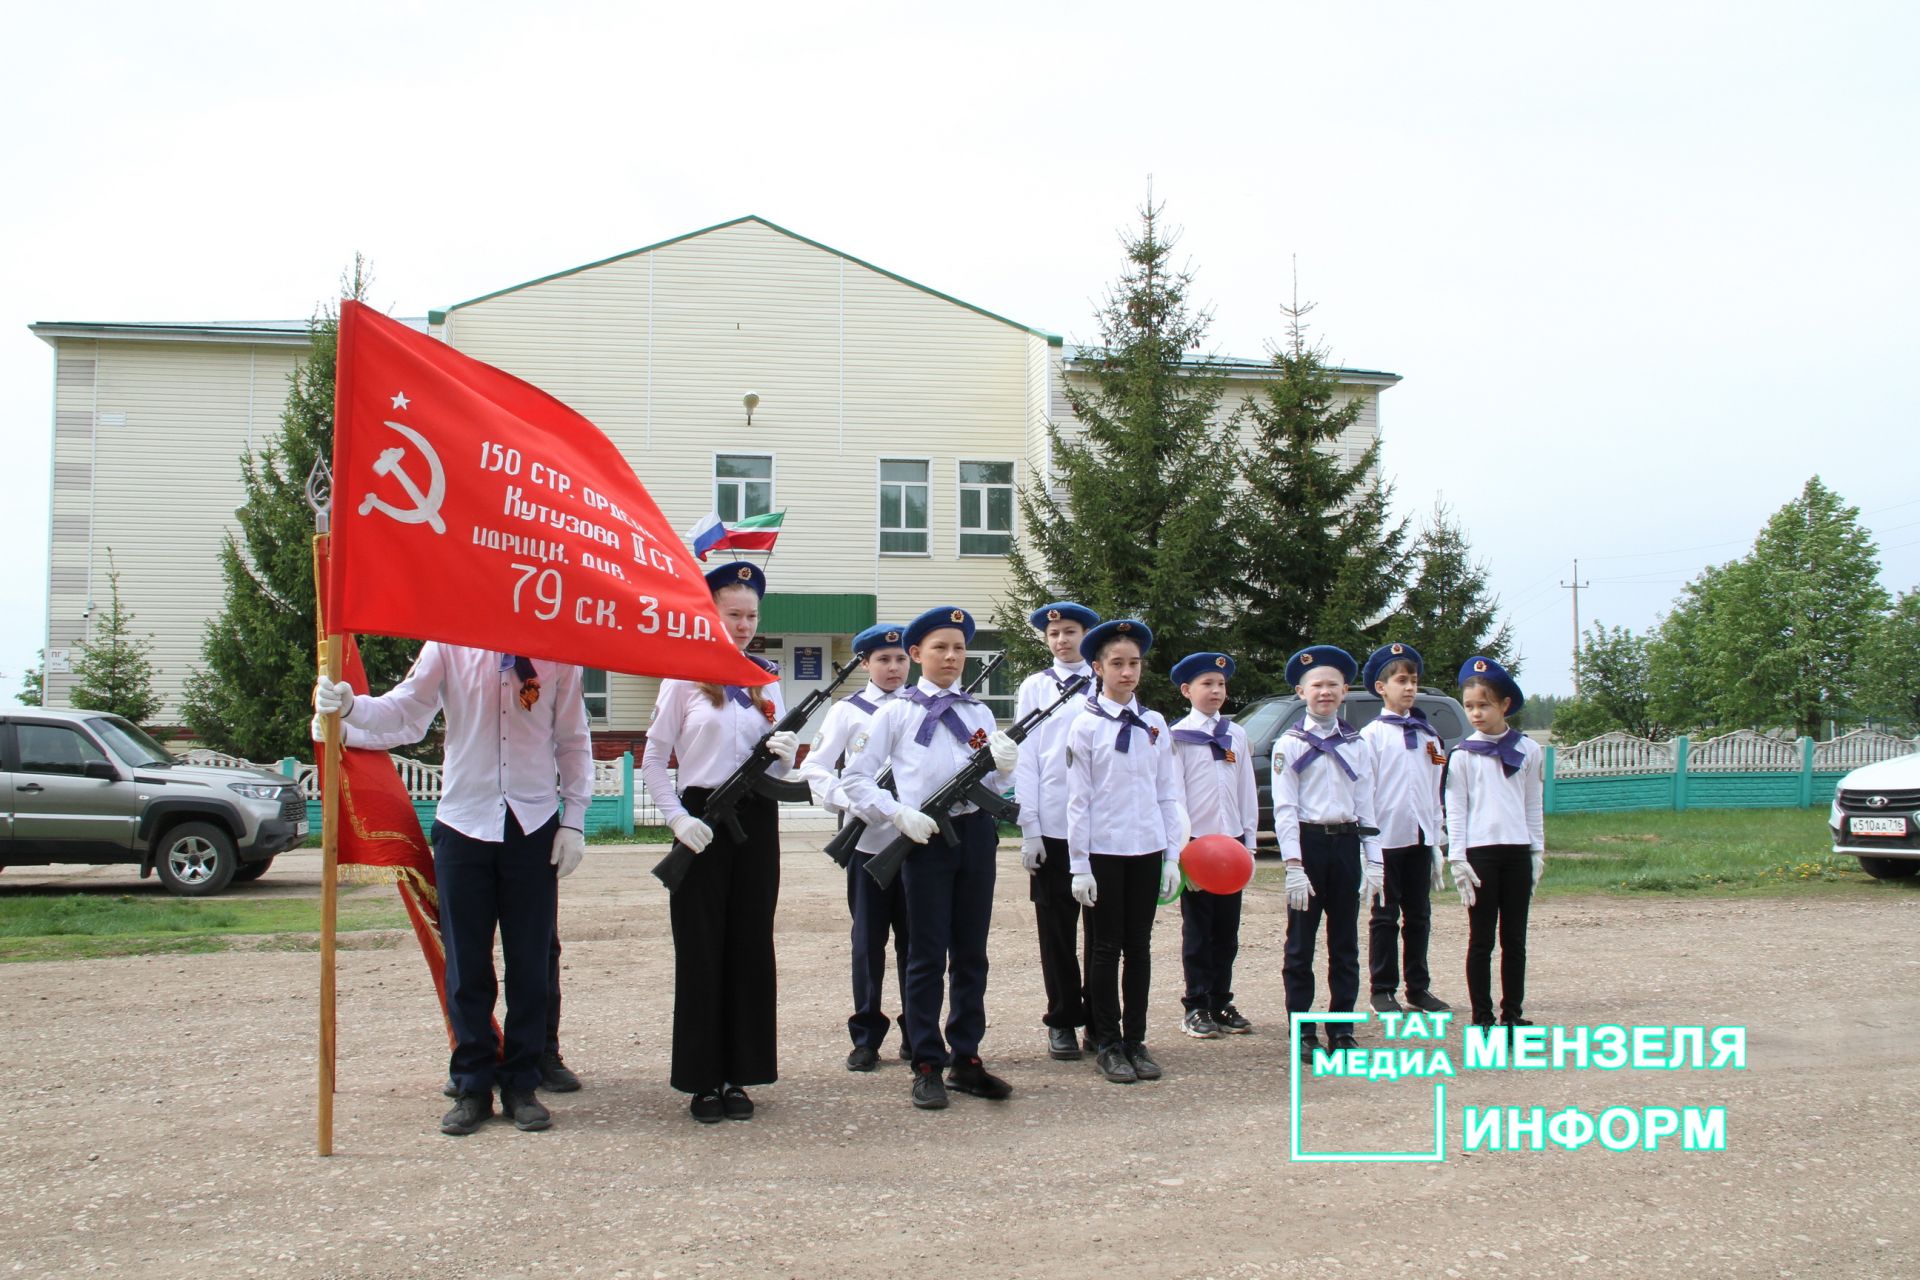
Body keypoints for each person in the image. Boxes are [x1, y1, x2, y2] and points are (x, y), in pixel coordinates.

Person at [314, 646, 591, 1136]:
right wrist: (351, 707)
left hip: (531, 825)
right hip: (464, 823)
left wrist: (574, 820)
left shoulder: (556, 652)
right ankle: (472, 1084)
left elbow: (572, 740)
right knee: (466, 964)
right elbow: (407, 711)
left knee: (529, 962)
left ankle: (522, 1083)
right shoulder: (448, 643)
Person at [841, 606, 1021, 1111]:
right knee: (925, 956)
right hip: (924, 840)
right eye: (940, 648)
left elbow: (995, 786)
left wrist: (1007, 769)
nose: (951, 656)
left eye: (959, 648)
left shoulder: (978, 713)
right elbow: (854, 778)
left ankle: (967, 1057)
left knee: (971, 953)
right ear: (917, 655)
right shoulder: (896, 713)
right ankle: (925, 1061)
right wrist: (897, 814)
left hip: (976, 837)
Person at [639, 561, 799, 1124]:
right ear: (709, 613)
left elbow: (781, 766)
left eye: (751, 615)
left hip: (757, 821)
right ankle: (702, 1080)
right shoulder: (682, 676)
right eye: (733, 613)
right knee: (702, 949)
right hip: (703, 819)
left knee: (751, 946)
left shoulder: (765, 680)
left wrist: (786, 756)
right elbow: (655, 761)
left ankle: (741, 1073)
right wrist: (677, 819)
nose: (744, 624)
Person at [1065, 619, 1184, 1085]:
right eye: (1117, 663)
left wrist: (1172, 855)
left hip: (1147, 849)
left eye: (1134, 663)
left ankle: (1136, 1039)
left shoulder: (1154, 723)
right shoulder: (1086, 725)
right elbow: (1080, 800)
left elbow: (1167, 793)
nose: (1127, 672)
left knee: (1140, 948)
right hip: (1104, 852)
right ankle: (1107, 1042)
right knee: (1104, 949)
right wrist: (1079, 865)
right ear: (1098, 667)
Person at [796, 622, 913, 1071]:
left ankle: (915, 1028)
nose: (893, 667)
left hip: (913, 841)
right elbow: (817, 768)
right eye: (883, 659)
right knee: (868, 943)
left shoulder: (921, 707)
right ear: (865, 663)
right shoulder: (849, 710)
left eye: (901, 658)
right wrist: (852, 801)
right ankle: (866, 1035)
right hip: (866, 844)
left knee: (915, 943)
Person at [1273, 645, 1386, 1065]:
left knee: (1345, 944)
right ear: (1301, 691)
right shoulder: (1290, 743)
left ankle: (1342, 1030)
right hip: (1308, 844)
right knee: (1300, 946)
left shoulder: (1357, 743)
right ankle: (1302, 1031)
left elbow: (1366, 804)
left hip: (1345, 845)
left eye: (1332, 686)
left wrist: (1374, 859)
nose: (1325, 692)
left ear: (1345, 691)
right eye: (1316, 685)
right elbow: (1284, 809)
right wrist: (1292, 866)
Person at [1010, 601, 1100, 1060]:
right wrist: (1030, 829)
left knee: (1102, 934)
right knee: (1057, 932)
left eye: (1070, 631)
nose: (1062, 640)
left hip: (1102, 829)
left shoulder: (1106, 682)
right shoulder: (1036, 687)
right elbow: (1027, 757)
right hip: (1053, 826)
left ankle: (1103, 1023)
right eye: (1054, 634)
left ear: (1087, 634)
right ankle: (1063, 1020)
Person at [1445, 655, 1546, 1036]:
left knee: (1514, 939)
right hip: (1481, 856)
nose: (1476, 713)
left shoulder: (1528, 750)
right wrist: (1457, 858)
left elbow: (1532, 803)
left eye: (1484, 705)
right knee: (1481, 940)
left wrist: (1537, 851)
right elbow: (1456, 809)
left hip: (1517, 852)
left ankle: (1513, 1014)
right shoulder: (1463, 755)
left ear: (1505, 705)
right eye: (1470, 706)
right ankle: (1481, 1017)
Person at [1166, 651, 1258, 1040]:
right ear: (1187, 691)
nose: (1216, 690)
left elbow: (1246, 789)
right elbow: (1174, 796)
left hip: (1231, 845)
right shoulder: (1178, 737)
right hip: (1198, 847)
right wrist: (1181, 852)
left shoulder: (1235, 734)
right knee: (1199, 932)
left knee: (1227, 931)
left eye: (1221, 684)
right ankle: (1196, 1004)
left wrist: (1249, 842)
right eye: (1207, 684)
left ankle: (1221, 999)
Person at [1358, 643, 1452, 1016]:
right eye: (1401, 681)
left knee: (1419, 916)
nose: (1409, 688)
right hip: (1387, 839)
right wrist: (1368, 844)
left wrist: (1437, 840)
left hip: (1419, 838)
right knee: (1384, 917)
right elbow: (1366, 793)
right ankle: (1383, 989)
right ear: (1382, 687)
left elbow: (1435, 789)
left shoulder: (1429, 735)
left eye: (1413, 681)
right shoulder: (1372, 736)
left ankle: (1419, 987)